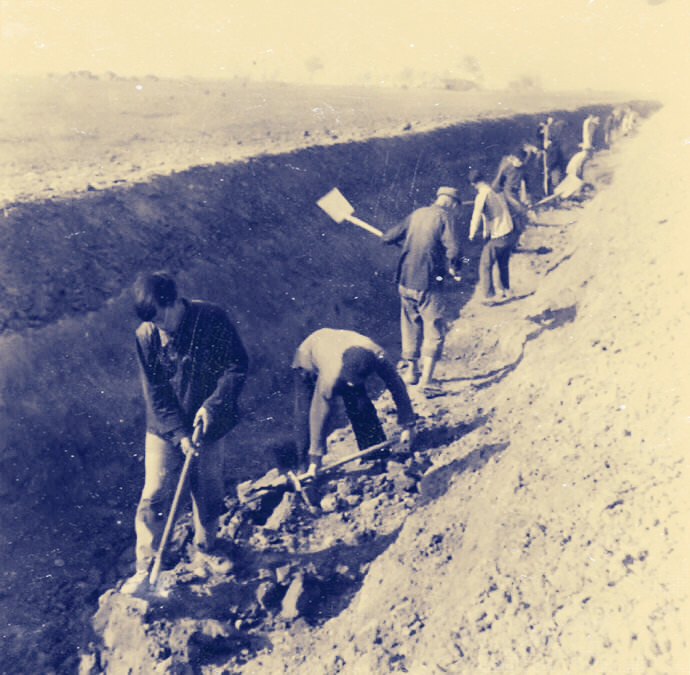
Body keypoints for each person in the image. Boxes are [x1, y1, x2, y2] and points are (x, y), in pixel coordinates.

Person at [121, 271, 249, 595]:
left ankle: (207, 548)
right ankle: (146, 567)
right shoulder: (146, 335)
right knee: (154, 493)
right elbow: (155, 392)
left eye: (161, 318)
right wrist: (179, 435)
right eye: (152, 322)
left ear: (175, 301)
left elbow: (236, 365)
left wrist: (213, 406)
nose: (159, 326)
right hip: (165, 426)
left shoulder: (212, 318)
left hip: (209, 423)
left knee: (208, 490)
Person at [292, 328, 416, 478]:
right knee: (305, 412)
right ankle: (304, 465)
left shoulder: (378, 355)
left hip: (339, 348)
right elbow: (319, 411)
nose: (350, 385)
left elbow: (397, 385)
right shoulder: (330, 376)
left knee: (360, 402)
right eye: (349, 381)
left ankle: (375, 453)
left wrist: (408, 424)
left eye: (354, 381)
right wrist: (316, 459)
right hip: (309, 353)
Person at [381, 186, 463, 396]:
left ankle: (411, 372)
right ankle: (427, 381)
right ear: (451, 203)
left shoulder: (417, 213)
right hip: (427, 283)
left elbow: (389, 237)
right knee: (434, 328)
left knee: (410, 325)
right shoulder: (445, 217)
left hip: (405, 280)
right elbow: (454, 249)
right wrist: (455, 267)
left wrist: (391, 238)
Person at [468, 168, 515, 305]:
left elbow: (476, 216)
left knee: (485, 265)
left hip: (498, 234)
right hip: (509, 231)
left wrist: (472, 233)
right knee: (503, 263)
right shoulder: (495, 190)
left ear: (473, 184)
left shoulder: (482, 195)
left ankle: (488, 296)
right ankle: (506, 290)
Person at [491, 148, 533, 239]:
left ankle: (519, 231)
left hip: (515, 191)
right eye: (518, 160)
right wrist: (496, 193)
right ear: (513, 158)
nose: (519, 163)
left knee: (516, 212)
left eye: (521, 161)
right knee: (518, 208)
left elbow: (527, 183)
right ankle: (516, 230)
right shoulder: (507, 167)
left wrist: (529, 197)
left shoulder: (523, 169)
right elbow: (499, 180)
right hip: (507, 191)